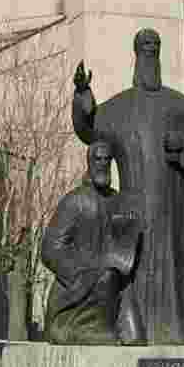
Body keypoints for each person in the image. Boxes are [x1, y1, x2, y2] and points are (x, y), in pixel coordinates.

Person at [73, 28, 184, 345]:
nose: (149, 52)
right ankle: (132, 332)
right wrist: (82, 97)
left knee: (172, 271)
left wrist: (183, 143)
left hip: (171, 213)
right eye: (144, 46)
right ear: (136, 54)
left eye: (154, 46)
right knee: (133, 273)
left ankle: (177, 333)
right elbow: (88, 128)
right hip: (132, 214)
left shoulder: (179, 105)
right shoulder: (117, 109)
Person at [41, 141, 142, 344]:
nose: (103, 163)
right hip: (82, 289)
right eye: (98, 159)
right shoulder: (74, 201)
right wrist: (81, 274)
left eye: (107, 159)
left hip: (117, 286)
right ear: (89, 162)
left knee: (136, 338)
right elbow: (50, 248)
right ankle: (83, 327)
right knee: (104, 279)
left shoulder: (118, 200)